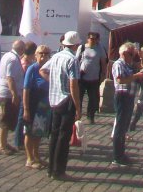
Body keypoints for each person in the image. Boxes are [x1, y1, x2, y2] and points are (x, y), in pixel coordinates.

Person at [40, 30, 82, 181]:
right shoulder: (73, 60)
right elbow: (73, 84)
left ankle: (51, 169)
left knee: (54, 135)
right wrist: (78, 106)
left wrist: (54, 82)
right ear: (76, 45)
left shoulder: (57, 55)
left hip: (54, 99)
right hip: (66, 100)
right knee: (64, 137)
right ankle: (59, 170)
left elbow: (42, 70)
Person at [110, 43, 143, 166]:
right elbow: (120, 80)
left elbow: (141, 66)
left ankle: (122, 153)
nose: (132, 57)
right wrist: (136, 76)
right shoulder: (118, 64)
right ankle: (117, 156)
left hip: (129, 97)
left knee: (124, 126)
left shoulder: (129, 64)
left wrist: (141, 58)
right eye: (131, 54)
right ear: (124, 53)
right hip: (122, 96)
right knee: (120, 127)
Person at [22, 45, 52, 169]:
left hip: (44, 106)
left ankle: (37, 155)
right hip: (33, 103)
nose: (43, 56)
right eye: (41, 53)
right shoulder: (32, 69)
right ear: (36, 55)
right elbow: (26, 89)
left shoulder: (49, 69)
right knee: (29, 132)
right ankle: (29, 158)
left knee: (38, 132)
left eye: (46, 54)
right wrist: (26, 109)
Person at [0, 39, 26, 155]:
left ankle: (4, 142)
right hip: (7, 94)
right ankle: (1, 145)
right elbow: (10, 78)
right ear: (21, 49)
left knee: (8, 119)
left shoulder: (8, 55)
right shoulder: (13, 59)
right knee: (5, 119)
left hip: (6, 92)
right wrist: (14, 94)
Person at [76, 31, 107, 124]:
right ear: (87, 39)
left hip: (94, 77)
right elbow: (76, 60)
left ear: (97, 39)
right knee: (79, 97)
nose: (92, 40)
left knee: (93, 98)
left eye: (95, 39)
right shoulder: (82, 47)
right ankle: (78, 115)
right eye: (91, 38)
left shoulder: (100, 48)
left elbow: (103, 62)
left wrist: (103, 74)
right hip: (82, 76)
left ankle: (91, 116)